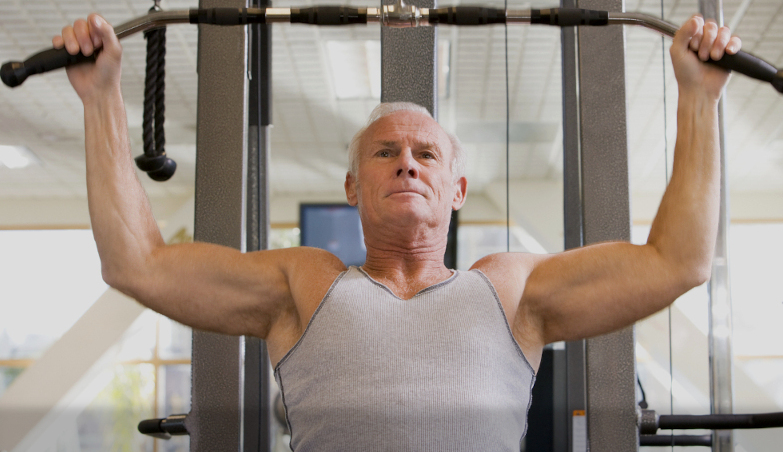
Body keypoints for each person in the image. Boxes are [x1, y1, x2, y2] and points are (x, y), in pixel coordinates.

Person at [54, 12, 741, 451]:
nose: (406, 162)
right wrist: (100, 99)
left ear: (456, 190)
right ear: (353, 187)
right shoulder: (302, 284)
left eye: (425, 153)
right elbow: (136, 263)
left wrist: (697, 98)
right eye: (384, 153)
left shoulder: (512, 288)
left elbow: (677, 262)